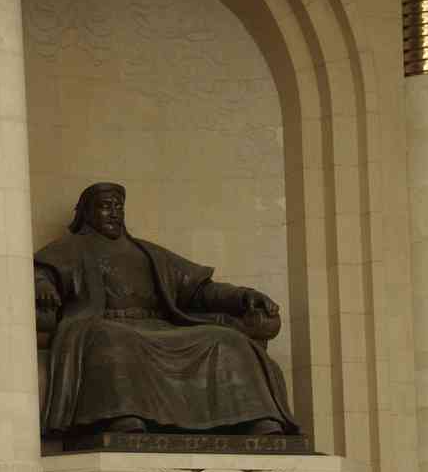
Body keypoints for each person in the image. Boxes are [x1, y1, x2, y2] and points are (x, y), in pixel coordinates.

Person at [34, 182, 299, 437]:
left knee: (226, 340)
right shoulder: (69, 248)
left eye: (118, 206)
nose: (114, 212)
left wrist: (244, 296)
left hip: (158, 327)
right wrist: (42, 286)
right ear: (86, 213)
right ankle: (124, 417)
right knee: (113, 339)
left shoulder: (148, 252)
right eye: (105, 206)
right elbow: (40, 272)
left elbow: (200, 291)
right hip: (103, 324)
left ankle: (256, 418)